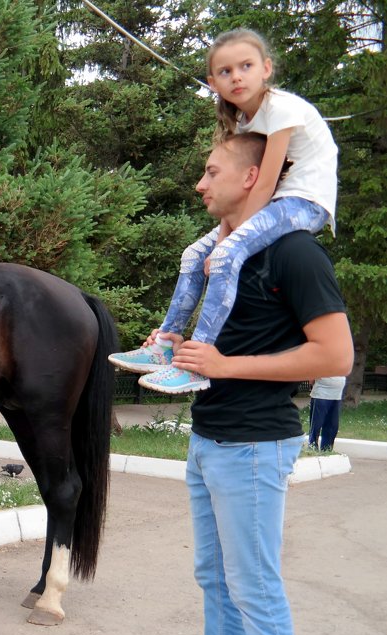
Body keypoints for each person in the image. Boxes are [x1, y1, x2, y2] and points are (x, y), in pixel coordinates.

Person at [153, 132, 353, 635]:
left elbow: (335, 356)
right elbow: (209, 348)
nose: (200, 184)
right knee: (216, 579)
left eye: (212, 172)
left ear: (252, 178)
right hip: (209, 437)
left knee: (255, 587)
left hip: (256, 445)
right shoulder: (219, 255)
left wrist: (224, 364)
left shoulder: (294, 253)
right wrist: (172, 350)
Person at [109, 28, 338, 395]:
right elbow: (247, 192)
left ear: (265, 68)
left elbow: (261, 183)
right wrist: (219, 237)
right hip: (274, 203)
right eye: (226, 71)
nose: (236, 77)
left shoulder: (280, 108)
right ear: (212, 82)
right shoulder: (246, 121)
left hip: (303, 202)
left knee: (225, 254)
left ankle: (198, 362)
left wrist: (227, 241)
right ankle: (165, 343)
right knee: (194, 252)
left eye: (245, 66)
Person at [308, 376, 346, 450]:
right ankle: (312, 448)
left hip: (336, 395)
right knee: (316, 425)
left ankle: (326, 449)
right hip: (321, 394)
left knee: (332, 425)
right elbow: (311, 375)